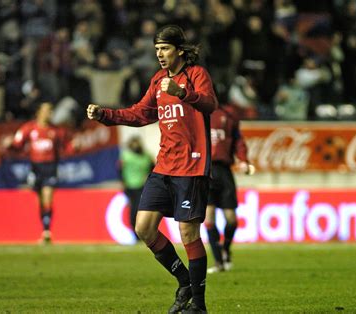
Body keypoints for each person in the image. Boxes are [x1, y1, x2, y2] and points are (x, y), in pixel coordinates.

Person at [87, 25, 218, 313]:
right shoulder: (158, 80)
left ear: (179, 50)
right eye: (157, 49)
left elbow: (210, 104)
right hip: (164, 165)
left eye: (165, 48)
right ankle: (184, 281)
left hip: (191, 165)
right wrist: (105, 114)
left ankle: (199, 305)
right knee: (143, 227)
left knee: (188, 234)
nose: (159, 54)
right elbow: (140, 114)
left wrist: (182, 93)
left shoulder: (196, 75)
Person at [3, 102, 68, 244]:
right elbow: (17, 144)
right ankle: (44, 228)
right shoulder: (29, 129)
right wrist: (10, 144)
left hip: (50, 167)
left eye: (50, 111)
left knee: (47, 197)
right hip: (35, 167)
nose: (49, 114)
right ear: (38, 113)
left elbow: (66, 147)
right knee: (40, 200)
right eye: (46, 111)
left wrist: (74, 147)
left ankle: (47, 231)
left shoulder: (56, 131)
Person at [205, 102, 255, 274]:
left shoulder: (228, 116)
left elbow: (238, 141)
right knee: (208, 218)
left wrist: (243, 160)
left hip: (224, 171)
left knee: (231, 219)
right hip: (204, 171)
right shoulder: (195, 114)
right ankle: (218, 261)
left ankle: (226, 249)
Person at [119, 136, 154, 235]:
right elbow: (120, 170)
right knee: (134, 209)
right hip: (130, 187)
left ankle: (141, 231)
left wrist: (148, 178)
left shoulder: (146, 156)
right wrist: (123, 182)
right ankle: (136, 232)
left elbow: (153, 168)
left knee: (140, 210)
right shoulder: (126, 156)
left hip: (142, 187)